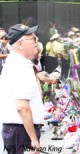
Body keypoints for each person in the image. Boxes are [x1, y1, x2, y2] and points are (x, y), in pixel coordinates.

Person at [0, 24, 44, 154]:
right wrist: (33, 139)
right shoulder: (20, 66)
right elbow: (22, 107)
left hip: (18, 130)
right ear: (20, 44)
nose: (36, 41)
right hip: (21, 132)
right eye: (32, 38)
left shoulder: (15, 62)